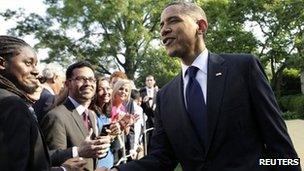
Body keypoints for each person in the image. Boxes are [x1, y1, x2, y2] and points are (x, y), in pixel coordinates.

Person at [103, 2, 301, 171]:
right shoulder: (166, 96)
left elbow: (279, 144)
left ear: (201, 26)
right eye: (162, 25)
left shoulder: (243, 68)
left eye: (173, 20)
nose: (164, 29)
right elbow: (162, 158)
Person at [0, 35, 86, 171]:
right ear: (2, 63)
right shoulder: (12, 105)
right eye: (28, 63)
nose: (36, 71)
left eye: (35, 64)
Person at [40, 61, 111, 171]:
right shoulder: (56, 116)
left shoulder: (91, 115)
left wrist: (101, 148)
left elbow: (91, 153)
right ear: (67, 83)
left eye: (92, 79)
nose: (88, 83)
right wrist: (77, 151)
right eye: (81, 79)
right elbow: (49, 159)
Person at [89, 76, 121, 168]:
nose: (106, 92)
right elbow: (95, 142)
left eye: (108, 88)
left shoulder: (106, 113)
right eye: (101, 89)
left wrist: (117, 130)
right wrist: (111, 136)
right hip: (98, 165)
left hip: (109, 162)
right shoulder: (90, 113)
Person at [139, 75, 157, 152]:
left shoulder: (158, 91)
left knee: (155, 137)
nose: (149, 82)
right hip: (144, 118)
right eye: (147, 80)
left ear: (154, 81)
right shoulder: (141, 92)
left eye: (151, 80)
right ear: (145, 82)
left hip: (155, 118)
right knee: (146, 138)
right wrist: (143, 102)